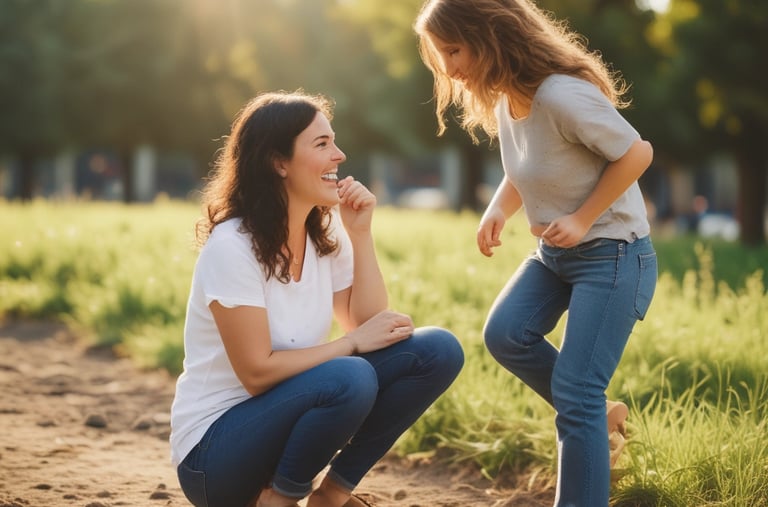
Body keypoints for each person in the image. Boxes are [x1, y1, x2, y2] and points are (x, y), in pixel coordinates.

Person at [169, 90, 464, 507]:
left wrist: (360, 235)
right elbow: (256, 373)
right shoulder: (231, 246)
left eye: (334, 141)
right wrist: (349, 345)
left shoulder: (324, 235)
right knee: (350, 375)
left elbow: (368, 325)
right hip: (214, 458)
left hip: (280, 427)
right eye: (322, 144)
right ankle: (280, 500)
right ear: (279, 162)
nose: (339, 155)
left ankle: (332, 495)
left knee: (436, 350)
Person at [414, 1, 657, 505]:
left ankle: (586, 421)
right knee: (506, 333)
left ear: (489, 35)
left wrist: (583, 217)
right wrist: (499, 208)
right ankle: (595, 412)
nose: (450, 68)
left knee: (576, 394)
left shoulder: (561, 95)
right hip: (556, 255)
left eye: (454, 51)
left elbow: (637, 152)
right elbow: (535, 164)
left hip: (612, 255)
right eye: (442, 57)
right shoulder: (509, 99)